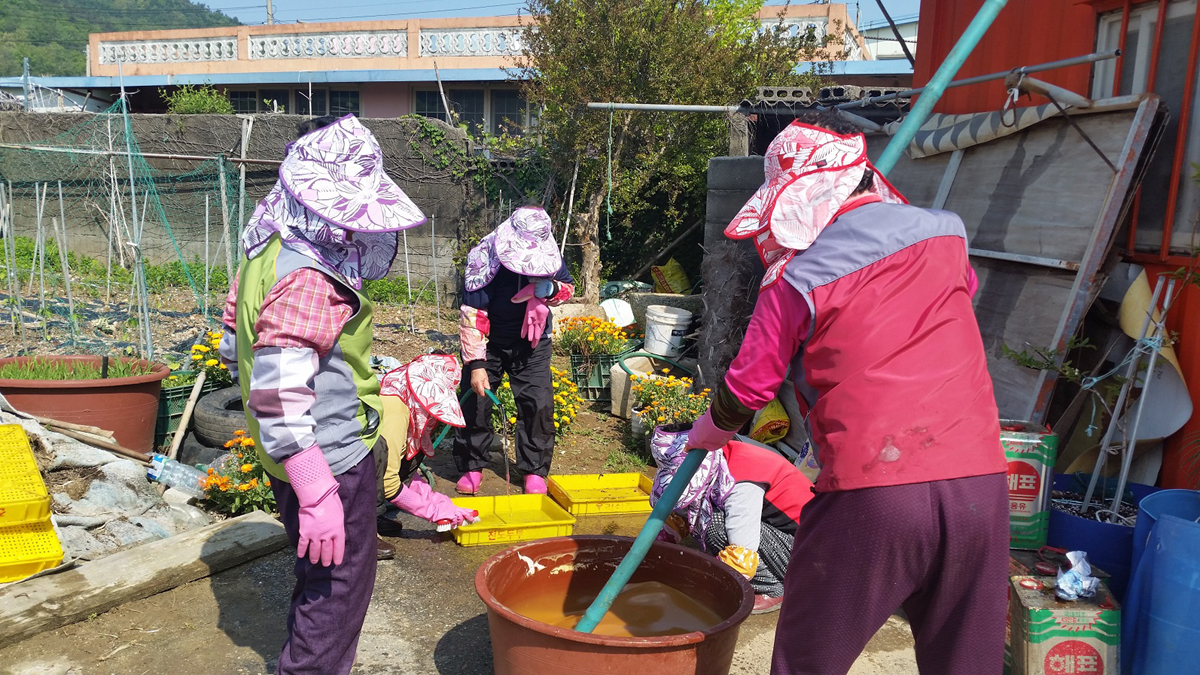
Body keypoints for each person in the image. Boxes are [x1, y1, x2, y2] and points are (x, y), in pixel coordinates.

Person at [684, 112, 1008, 675]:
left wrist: (707, 433)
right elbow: (956, 297)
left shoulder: (794, 279)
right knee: (966, 663)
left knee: (810, 658)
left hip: (874, 492)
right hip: (980, 484)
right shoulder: (947, 234)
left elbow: (750, 386)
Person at [217, 114, 427, 675]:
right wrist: (316, 492)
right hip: (327, 460)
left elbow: (232, 341)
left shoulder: (266, 250)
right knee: (337, 591)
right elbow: (281, 391)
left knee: (317, 575)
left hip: (288, 458)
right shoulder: (312, 277)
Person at [454, 205, 574, 495]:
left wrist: (547, 290)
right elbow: (473, 314)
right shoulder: (484, 256)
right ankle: (472, 465)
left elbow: (568, 288)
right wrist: (477, 365)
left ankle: (534, 470)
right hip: (489, 340)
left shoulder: (549, 255)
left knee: (538, 402)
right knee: (477, 400)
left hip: (532, 339)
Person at [649, 426, 813, 614]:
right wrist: (653, 549)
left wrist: (692, 584)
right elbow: (683, 509)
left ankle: (772, 587)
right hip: (786, 534)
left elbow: (741, 557)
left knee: (713, 525)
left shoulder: (743, 481)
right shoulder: (718, 455)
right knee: (704, 512)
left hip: (807, 551)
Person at [377, 353, 479, 531]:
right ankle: (360, 526)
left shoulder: (404, 396)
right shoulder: (395, 413)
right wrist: (433, 512)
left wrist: (441, 502)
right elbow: (387, 481)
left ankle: (371, 516)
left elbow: (398, 468)